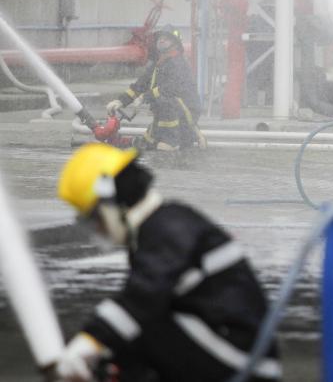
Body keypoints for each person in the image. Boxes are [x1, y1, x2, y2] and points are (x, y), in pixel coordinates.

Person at [53, 143, 281, 382]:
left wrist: (89, 341)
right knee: (124, 340)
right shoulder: (162, 226)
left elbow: (143, 298)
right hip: (233, 354)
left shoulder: (167, 228)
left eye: (95, 219)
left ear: (111, 204)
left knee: (138, 324)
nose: (97, 230)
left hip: (243, 363)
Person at [106, 25, 206, 152]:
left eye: (167, 38)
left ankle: (171, 142)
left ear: (175, 43)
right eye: (160, 38)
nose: (161, 40)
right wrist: (120, 101)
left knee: (165, 102)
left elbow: (169, 89)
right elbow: (140, 85)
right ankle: (189, 137)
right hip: (167, 112)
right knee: (148, 144)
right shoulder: (159, 64)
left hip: (184, 111)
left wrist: (144, 97)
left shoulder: (178, 63)